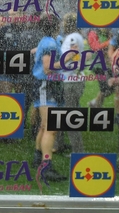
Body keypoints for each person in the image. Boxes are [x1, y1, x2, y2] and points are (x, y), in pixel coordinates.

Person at [30, 14, 67, 188]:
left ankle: (38, 157)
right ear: (55, 25)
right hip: (46, 86)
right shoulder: (51, 43)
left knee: (44, 126)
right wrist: (68, 60)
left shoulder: (46, 40)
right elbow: (48, 67)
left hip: (44, 86)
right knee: (50, 129)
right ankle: (46, 166)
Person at [55, 13, 84, 154]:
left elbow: (75, 54)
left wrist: (59, 63)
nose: (62, 24)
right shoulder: (74, 36)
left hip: (71, 81)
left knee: (70, 116)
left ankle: (78, 151)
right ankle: (58, 144)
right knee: (62, 112)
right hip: (70, 80)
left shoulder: (72, 37)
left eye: (65, 21)